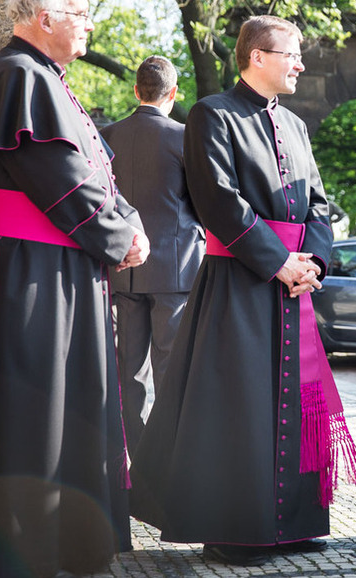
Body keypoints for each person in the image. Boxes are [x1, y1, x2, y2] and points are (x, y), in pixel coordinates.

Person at [130, 16, 356, 567]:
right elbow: (217, 198)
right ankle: (235, 527)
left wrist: (312, 263)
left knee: (296, 402)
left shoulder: (296, 125)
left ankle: (294, 522)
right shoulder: (212, 114)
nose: (301, 64)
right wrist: (277, 261)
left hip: (294, 285)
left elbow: (318, 204)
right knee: (240, 406)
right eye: (292, 54)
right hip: (240, 283)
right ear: (257, 56)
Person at [0, 0, 150, 577]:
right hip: (30, 275)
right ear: (43, 17)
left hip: (67, 268)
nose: (89, 23)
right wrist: (119, 237)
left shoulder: (47, 79)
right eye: (79, 12)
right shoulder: (18, 76)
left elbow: (99, 173)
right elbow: (64, 182)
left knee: (73, 402)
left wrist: (130, 228)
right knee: (38, 406)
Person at [101, 55, 205, 451]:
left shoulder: (108, 136)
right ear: (173, 93)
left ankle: (136, 456)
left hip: (123, 268)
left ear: (135, 90)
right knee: (169, 366)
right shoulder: (184, 137)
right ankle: (167, 456)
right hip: (175, 271)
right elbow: (201, 202)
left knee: (129, 369)